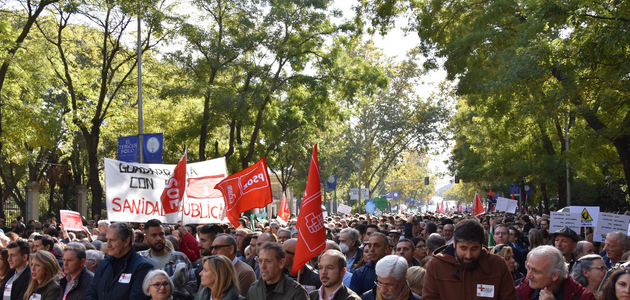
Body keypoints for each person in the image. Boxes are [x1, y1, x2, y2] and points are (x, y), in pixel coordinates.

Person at [423, 219, 515, 300]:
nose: (468, 255)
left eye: (474, 249)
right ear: (454, 243)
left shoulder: (498, 264)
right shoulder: (436, 265)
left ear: (482, 245)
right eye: (463, 248)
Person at [84, 222, 153, 300]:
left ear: (126, 241)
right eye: (107, 240)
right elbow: (90, 294)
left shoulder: (142, 267)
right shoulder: (104, 264)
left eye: (112, 240)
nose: (108, 245)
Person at [140, 219, 197, 300]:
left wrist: (167, 291)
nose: (159, 238)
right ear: (146, 238)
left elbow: (192, 288)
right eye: (154, 235)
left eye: (161, 234)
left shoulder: (180, 258)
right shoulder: (141, 259)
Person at [516, 245, 596, 300]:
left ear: (555, 275)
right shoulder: (518, 293)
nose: (528, 276)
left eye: (536, 271)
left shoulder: (583, 296)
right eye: (528, 268)